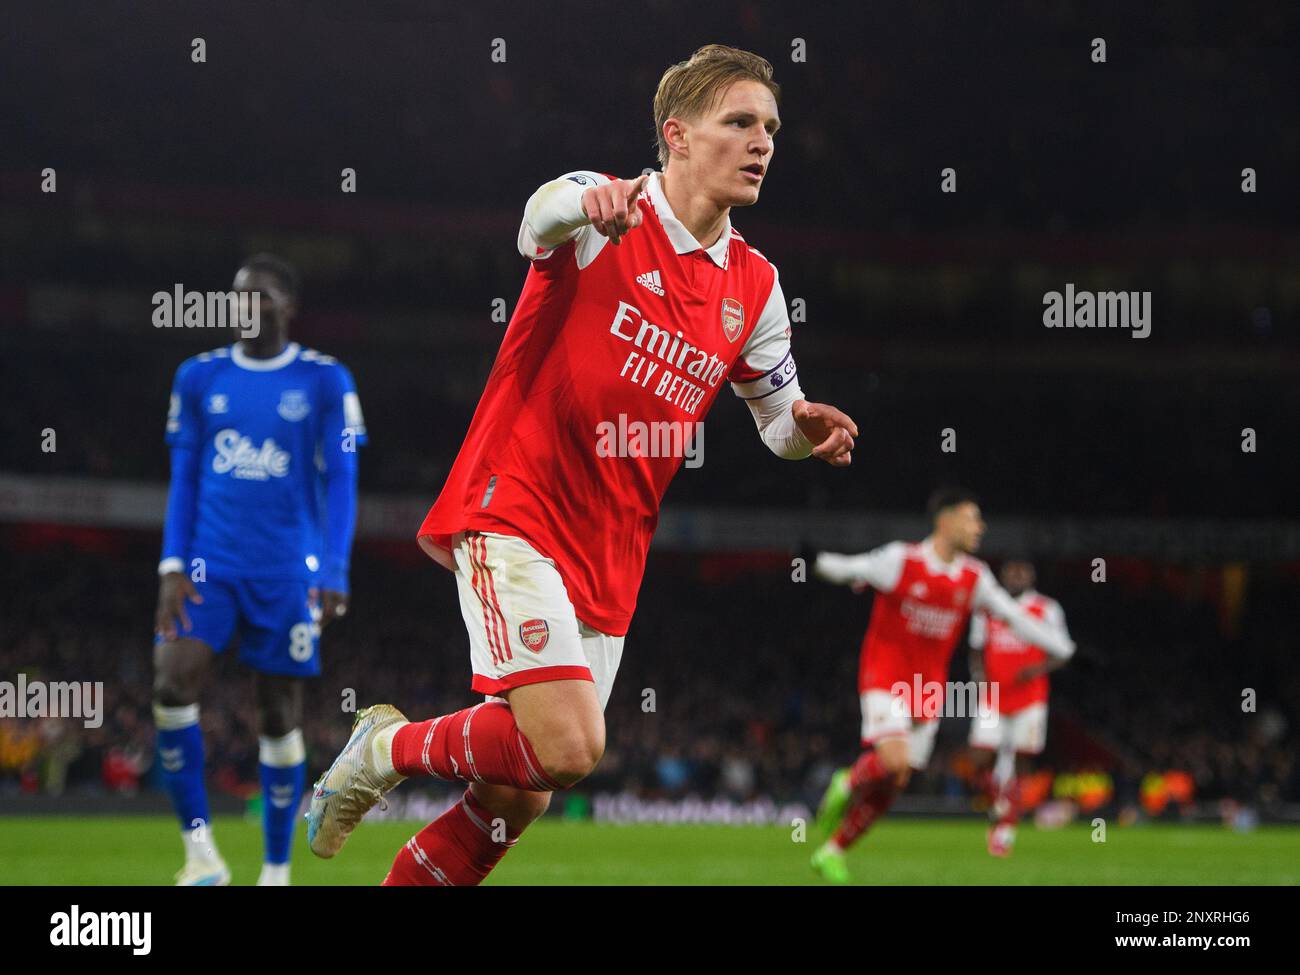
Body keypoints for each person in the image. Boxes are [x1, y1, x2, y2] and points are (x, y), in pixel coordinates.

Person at [307, 44, 858, 886]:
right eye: (740, 122)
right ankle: (383, 748)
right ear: (676, 134)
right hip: (516, 503)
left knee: (515, 795)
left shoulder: (757, 283)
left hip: (612, 547)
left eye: (772, 127)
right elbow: (538, 217)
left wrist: (804, 427)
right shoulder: (606, 212)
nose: (763, 142)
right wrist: (584, 201)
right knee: (569, 745)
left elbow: (776, 422)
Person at [153, 254, 366, 885]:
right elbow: (185, 477)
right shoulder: (197, 377)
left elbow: (344, 479)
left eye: (263, 296)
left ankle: (275, 872)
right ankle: (201, 855)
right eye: (239, 297)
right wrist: (171, 563)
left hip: (286, 574)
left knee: (278, 717)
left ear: (289, 306)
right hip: (207, 566)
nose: (249, 306)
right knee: (171, 682)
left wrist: (334, 568)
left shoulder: (325, 381)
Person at [809, 488, 1075, 883]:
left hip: (928, 687)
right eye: (972, 518)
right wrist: (813, 559)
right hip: (885, 675)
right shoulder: (903, 560)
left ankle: (832, 852)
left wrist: (1064, 648)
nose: (980, 527)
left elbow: (1014, 617)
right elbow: (852, 569)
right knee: (895, 759)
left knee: (898, 779)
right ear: (945, 521)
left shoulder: (975, 576)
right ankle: (846, 781)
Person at [966, 559, 1071, 856]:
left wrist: (1036, 670)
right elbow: (975, 648)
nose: (1016, 576)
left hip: (1030, 698)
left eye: (1022, 571)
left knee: (1023, 763)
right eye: (1011, 571)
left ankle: (1006, 827)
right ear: (1002, 576)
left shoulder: (1046, 608)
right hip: (992, 696)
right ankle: (1000, 804)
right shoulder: (987, 607)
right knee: (978, 758)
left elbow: (1063, 651)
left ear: (1032, 575)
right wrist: (978, 678)